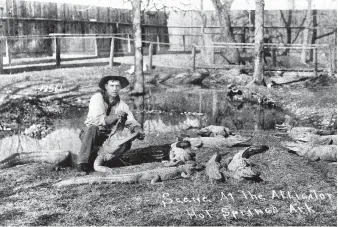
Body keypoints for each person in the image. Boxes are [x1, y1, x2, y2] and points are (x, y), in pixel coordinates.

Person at [77, 75, 145, 174]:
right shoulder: (97, 98)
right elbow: (98, 120)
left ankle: (112, 160)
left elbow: (131, 120)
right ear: (106, 86)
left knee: (127, 140)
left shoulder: (122, 104)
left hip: (107, 136)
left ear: (120, 87)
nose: (115, 89)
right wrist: (116, 116)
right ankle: (82, 164)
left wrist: (138, 129)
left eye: (117, 86)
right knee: (93, 128)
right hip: (91, 135)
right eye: (112, 85)